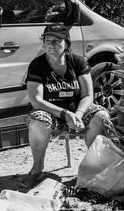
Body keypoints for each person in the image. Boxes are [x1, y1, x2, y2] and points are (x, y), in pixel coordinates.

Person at [23, 24, 111, 187]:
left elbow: (88, 95)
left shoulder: (78, 62)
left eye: (57, 40)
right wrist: (65, 114)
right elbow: (36, 100)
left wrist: (77, 114)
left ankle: (92, 169)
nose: (51, 44)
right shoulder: (37, 65)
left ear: (67, 44)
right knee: (38, 121)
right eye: (47, 40)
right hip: (52, 114)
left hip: (77, 113)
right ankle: (37, 169)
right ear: (43, 43)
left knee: (102, 116)